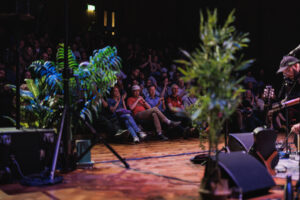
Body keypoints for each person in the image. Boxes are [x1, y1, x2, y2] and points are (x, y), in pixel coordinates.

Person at [276, 56, 300, 134]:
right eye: (284, 72)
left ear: (296, 66)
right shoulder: (292, 81)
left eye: (288, 70)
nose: (286, 74)